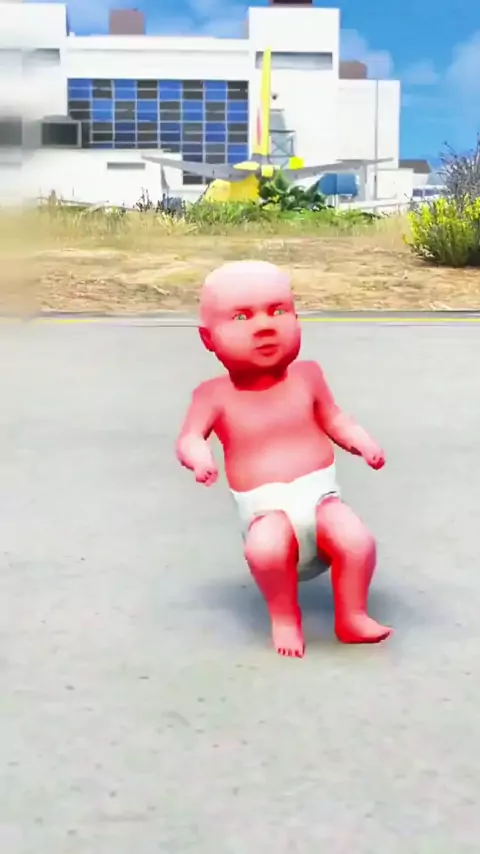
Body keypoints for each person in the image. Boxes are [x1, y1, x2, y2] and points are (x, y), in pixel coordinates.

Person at [176, 260, 392, 658]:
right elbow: (190, 437)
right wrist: (200, 457)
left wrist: (362, 443)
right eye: (242, 317)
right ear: (208, 338)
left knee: (356, 541)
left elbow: (335, 419)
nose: (265, 327)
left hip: (321, 499)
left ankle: (352, 615)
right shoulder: (213, 396)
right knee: (266, 549)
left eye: (278, 311)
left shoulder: (307, 377)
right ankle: (284, 616)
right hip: (266, 511)